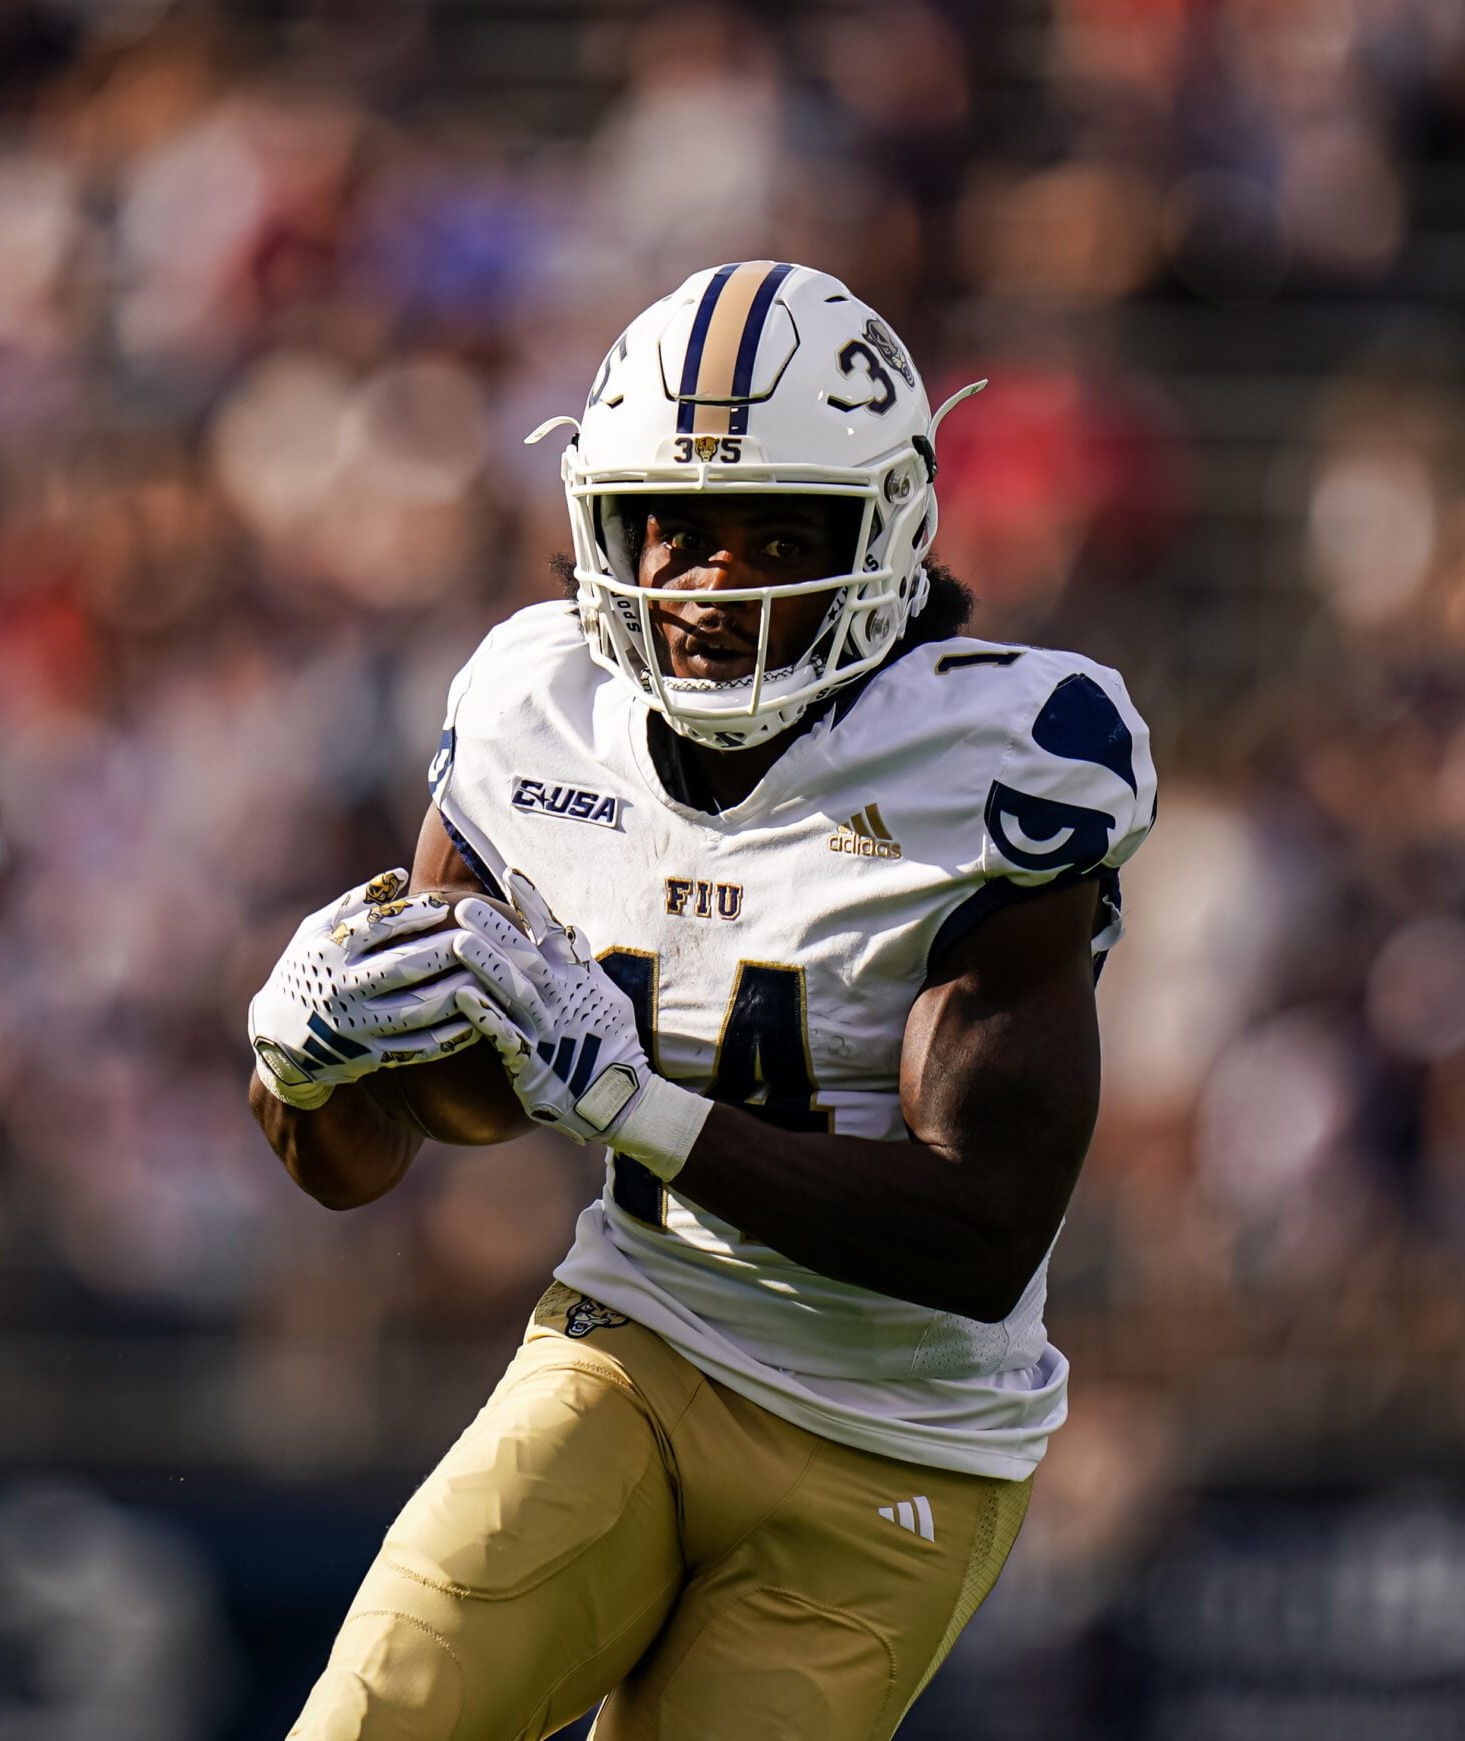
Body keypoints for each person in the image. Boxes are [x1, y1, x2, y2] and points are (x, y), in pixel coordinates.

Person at [247, 260, 1155, 1740]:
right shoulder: (539, 709)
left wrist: (633, 1102)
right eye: (672, 524)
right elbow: (404, 1137)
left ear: (889, 525)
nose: (710, 577)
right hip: (638, 1341)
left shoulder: (993, 758)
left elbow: (981, 1232)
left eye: (775, 528)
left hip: (897, 1448)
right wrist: (299, 1068)